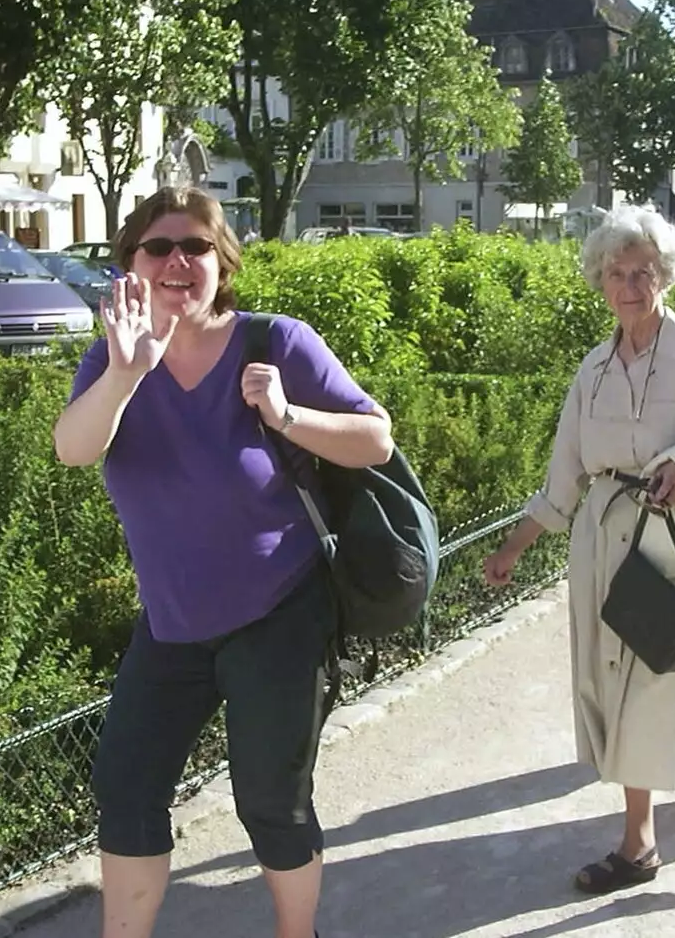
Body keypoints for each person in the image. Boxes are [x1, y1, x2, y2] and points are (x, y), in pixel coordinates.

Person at [53, 186, 392, 938]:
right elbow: (74, 449)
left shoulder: (276, 342)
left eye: (196, 246)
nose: (179, 260)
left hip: (279, 612)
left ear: (222, 260)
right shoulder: (113, 362)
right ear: (131, 266)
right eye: (159, 246)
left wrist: (286, 416)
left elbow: (377, 439)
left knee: (269, 797)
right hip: (172, 623)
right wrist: (125, 373)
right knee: (126, 784)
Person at [483, 205, 675, 895]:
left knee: (668, 691)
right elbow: (564, 480)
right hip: (607, 549)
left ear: (665, 274)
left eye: (643, 271)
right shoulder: (594, 371)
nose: (630, 285)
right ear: (600, 280)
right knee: (618, 693)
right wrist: (513, 548)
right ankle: (638, 842)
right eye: (617, 272)